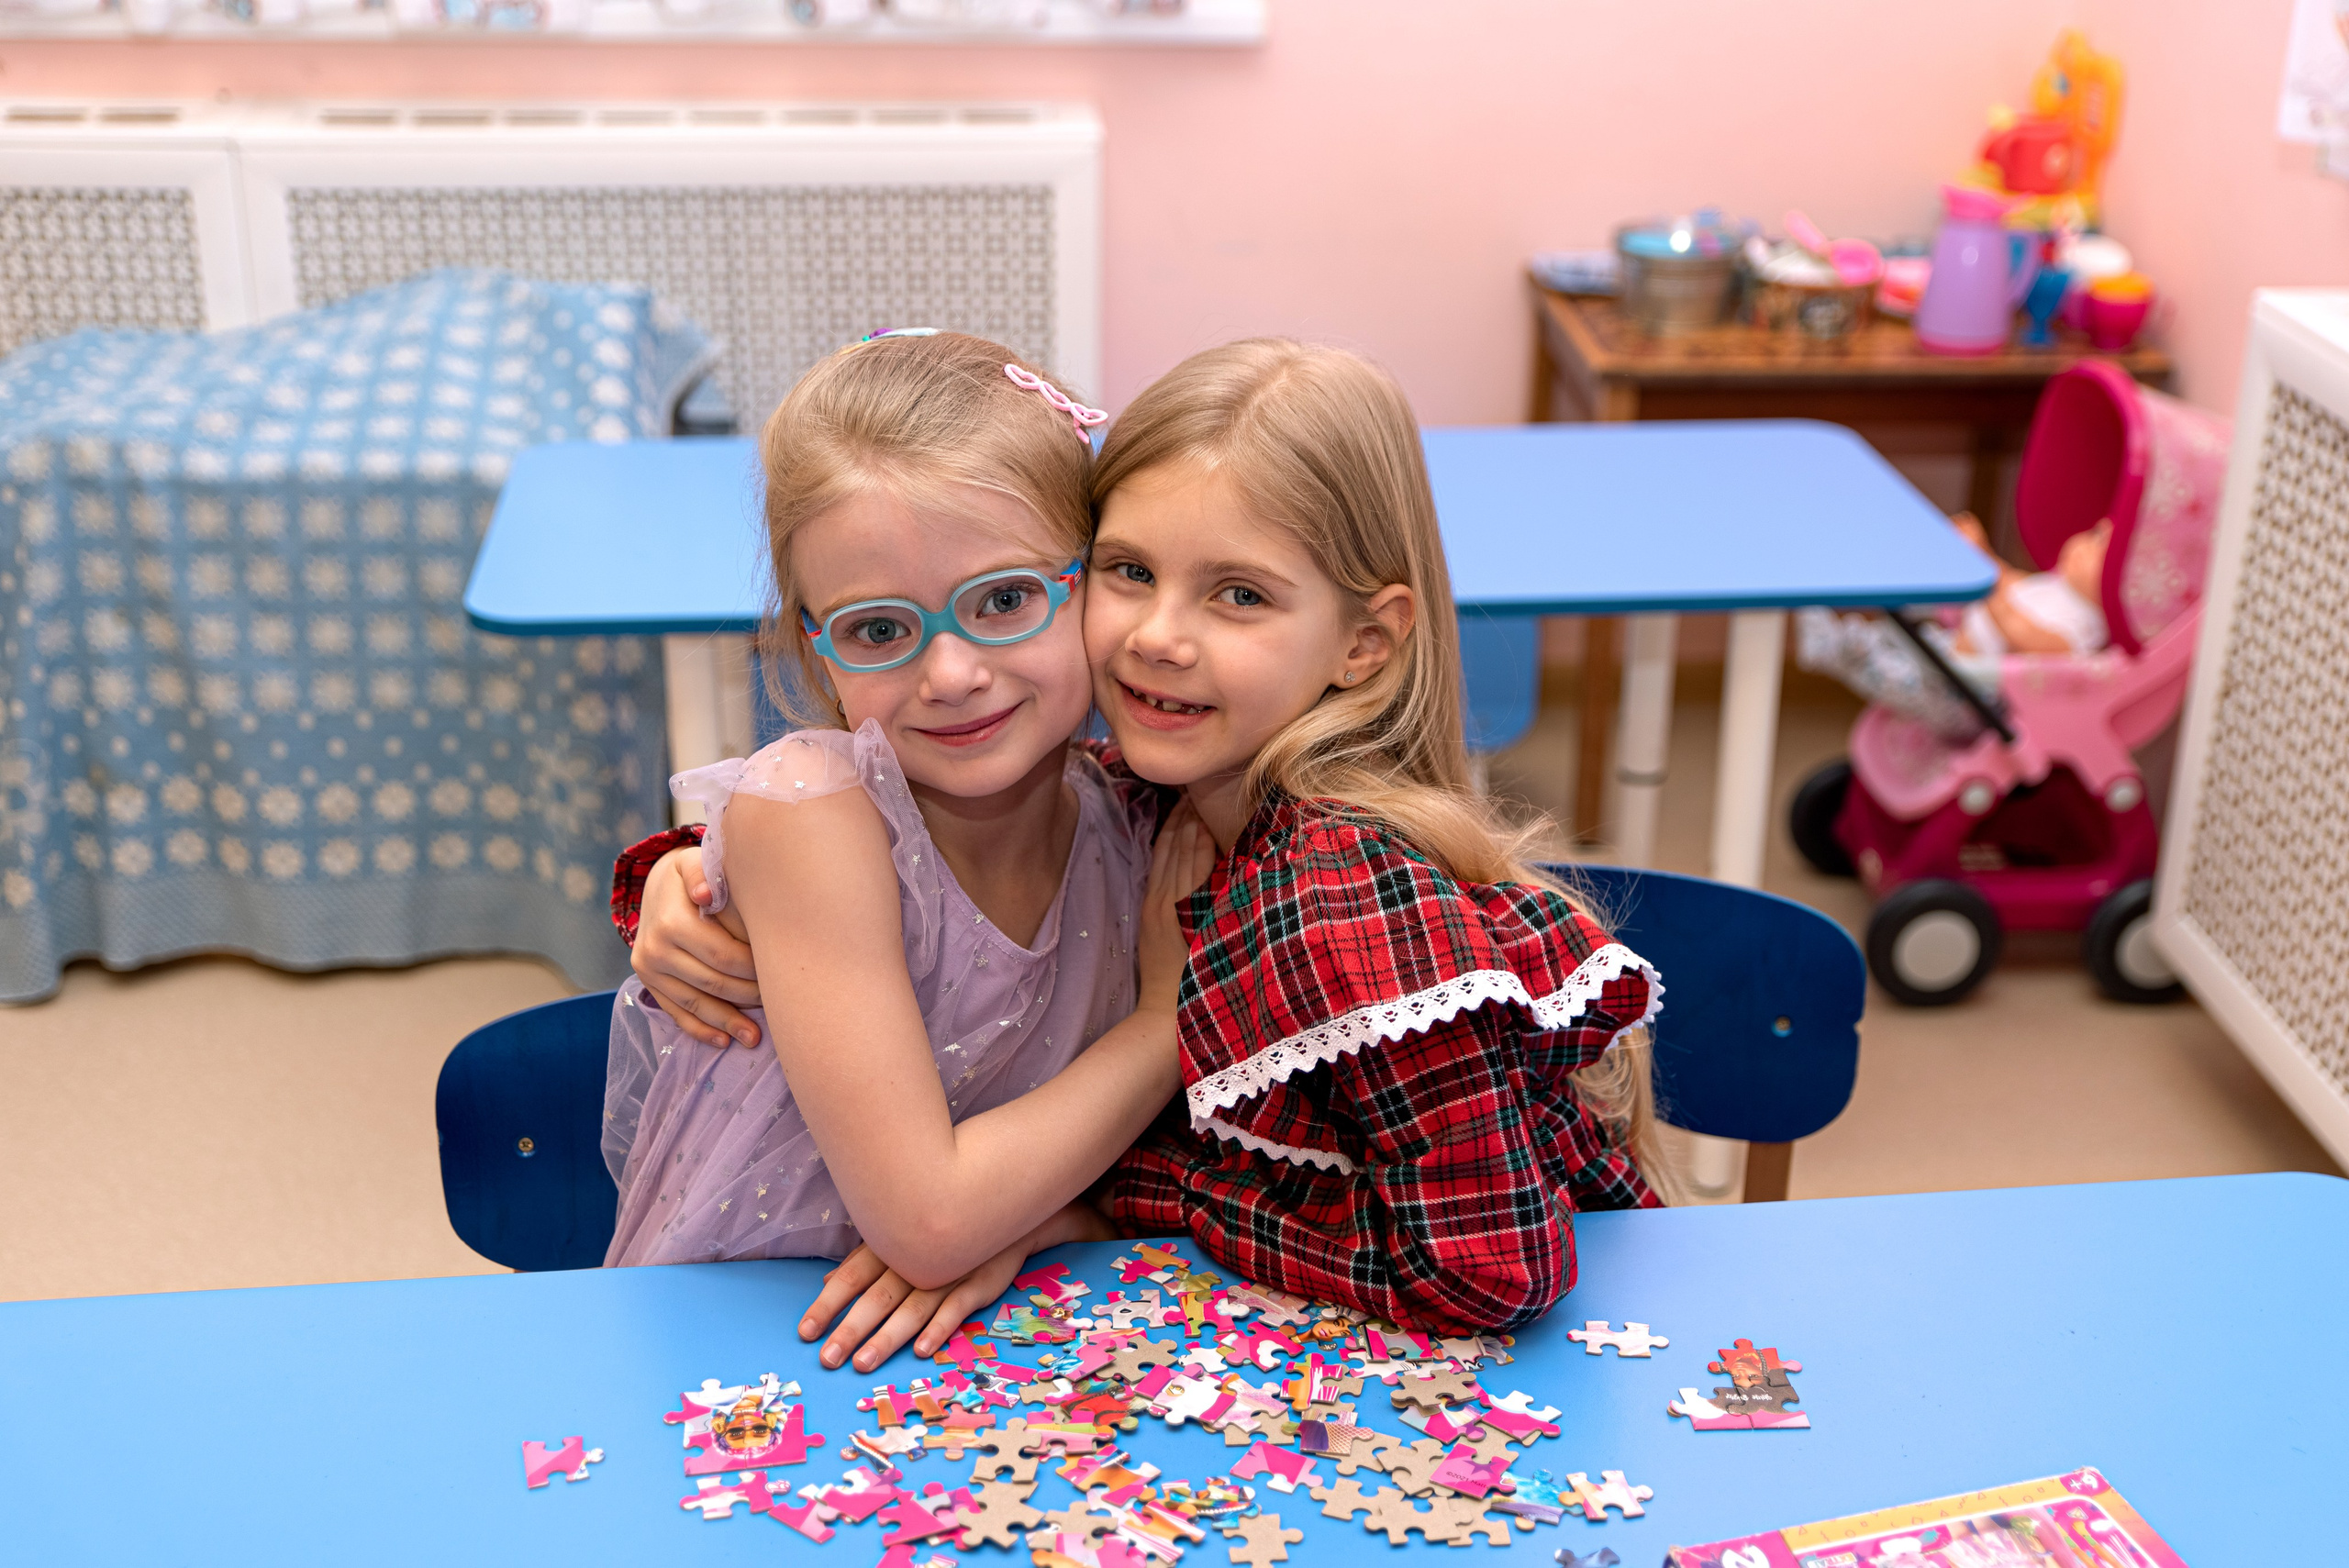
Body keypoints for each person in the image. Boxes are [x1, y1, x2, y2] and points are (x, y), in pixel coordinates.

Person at [598, 328, 1212, 1373]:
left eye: (1007, 598)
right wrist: (1167, 1021)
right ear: (814, 648)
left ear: (1100, 579)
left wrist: (1046, 1225)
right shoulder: (812, 816)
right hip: (776, 1344)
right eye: (881, 630)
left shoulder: (1137, 809)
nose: (953, 672)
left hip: (1017, 1321)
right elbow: (929, 1219)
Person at [1082, 339, 1666, 1334]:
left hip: (1520, 1387)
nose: (1158, 636)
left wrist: (1152, 1195)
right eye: (1128, 570)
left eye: (1240, 595)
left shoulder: (1335, 887)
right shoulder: (1154, 785)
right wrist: (721, 864)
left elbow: (1489, 1272)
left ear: (1363, 642)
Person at [1795, 512, 2112, 740]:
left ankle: (1833, 649)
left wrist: (1987, 570)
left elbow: (2018, 628)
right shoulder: (2055, 587)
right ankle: (1848, 631)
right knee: (1897, 628)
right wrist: (1978, 551)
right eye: (2094, 533)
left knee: (1885, 667)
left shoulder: (2084, 629)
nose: (2085, 540)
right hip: (1947, 654)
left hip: (1967, 700)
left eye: (2100, 543)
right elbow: (2009, 580)